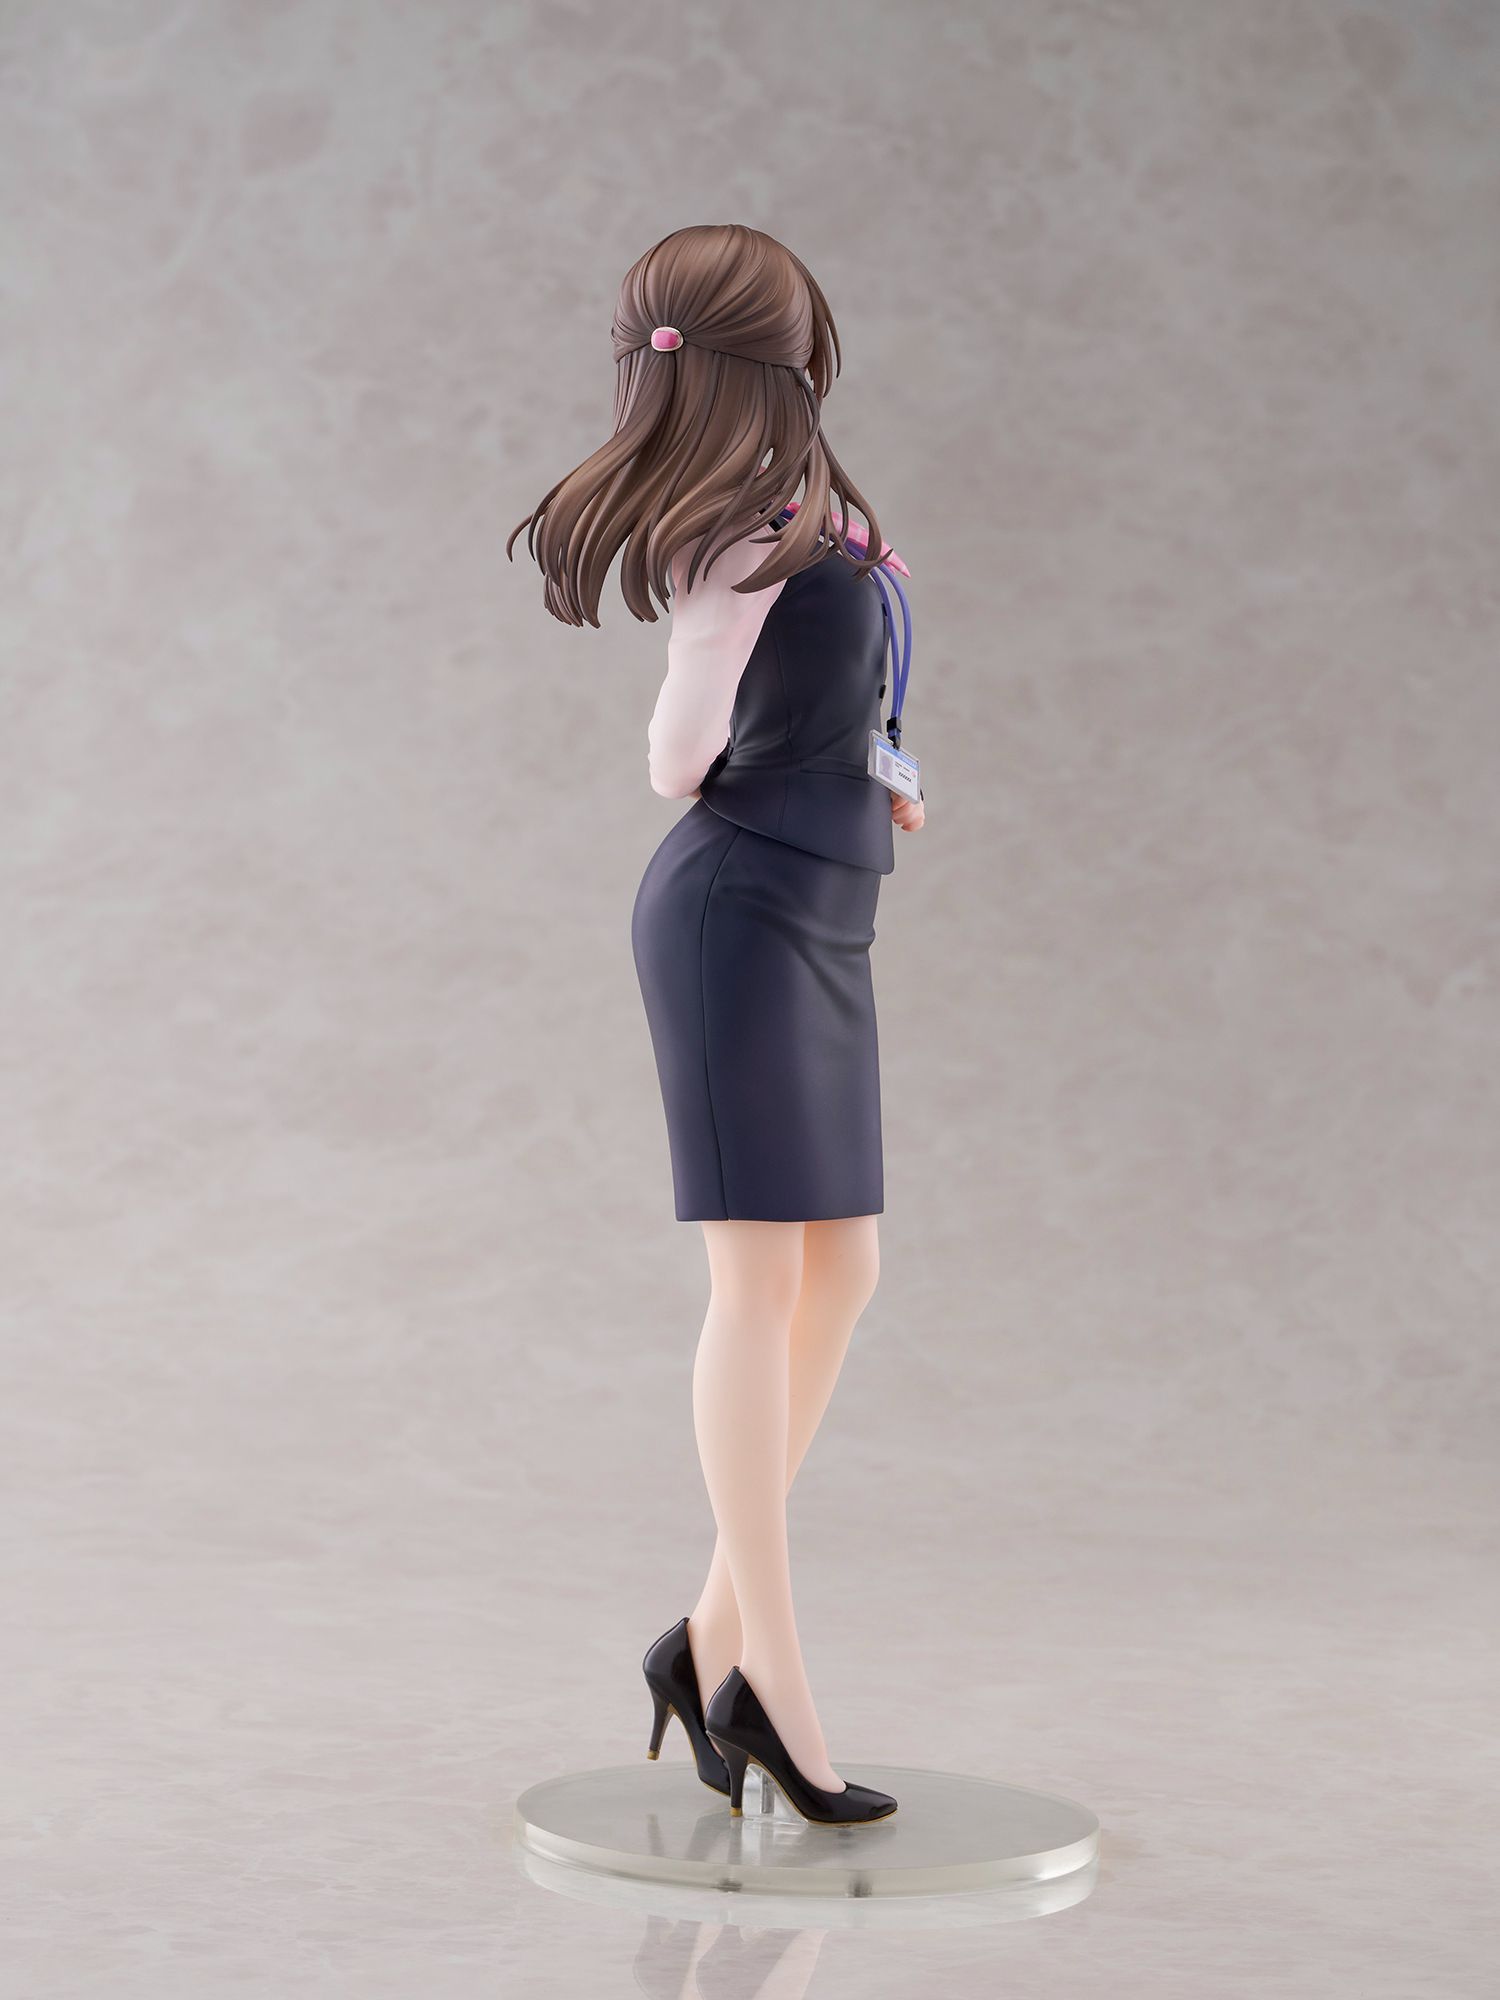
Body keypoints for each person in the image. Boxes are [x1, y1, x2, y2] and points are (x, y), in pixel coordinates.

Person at [510, 223, 925, 1825]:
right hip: (736, 915)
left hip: (822, 910)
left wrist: (871, 771)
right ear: (784, 362)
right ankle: (775, 1687)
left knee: (847, 1269)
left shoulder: (808, 520)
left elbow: (851, 702)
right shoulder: (735, 543)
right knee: (758, 1283)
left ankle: (703, 1643)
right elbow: (678, 762)